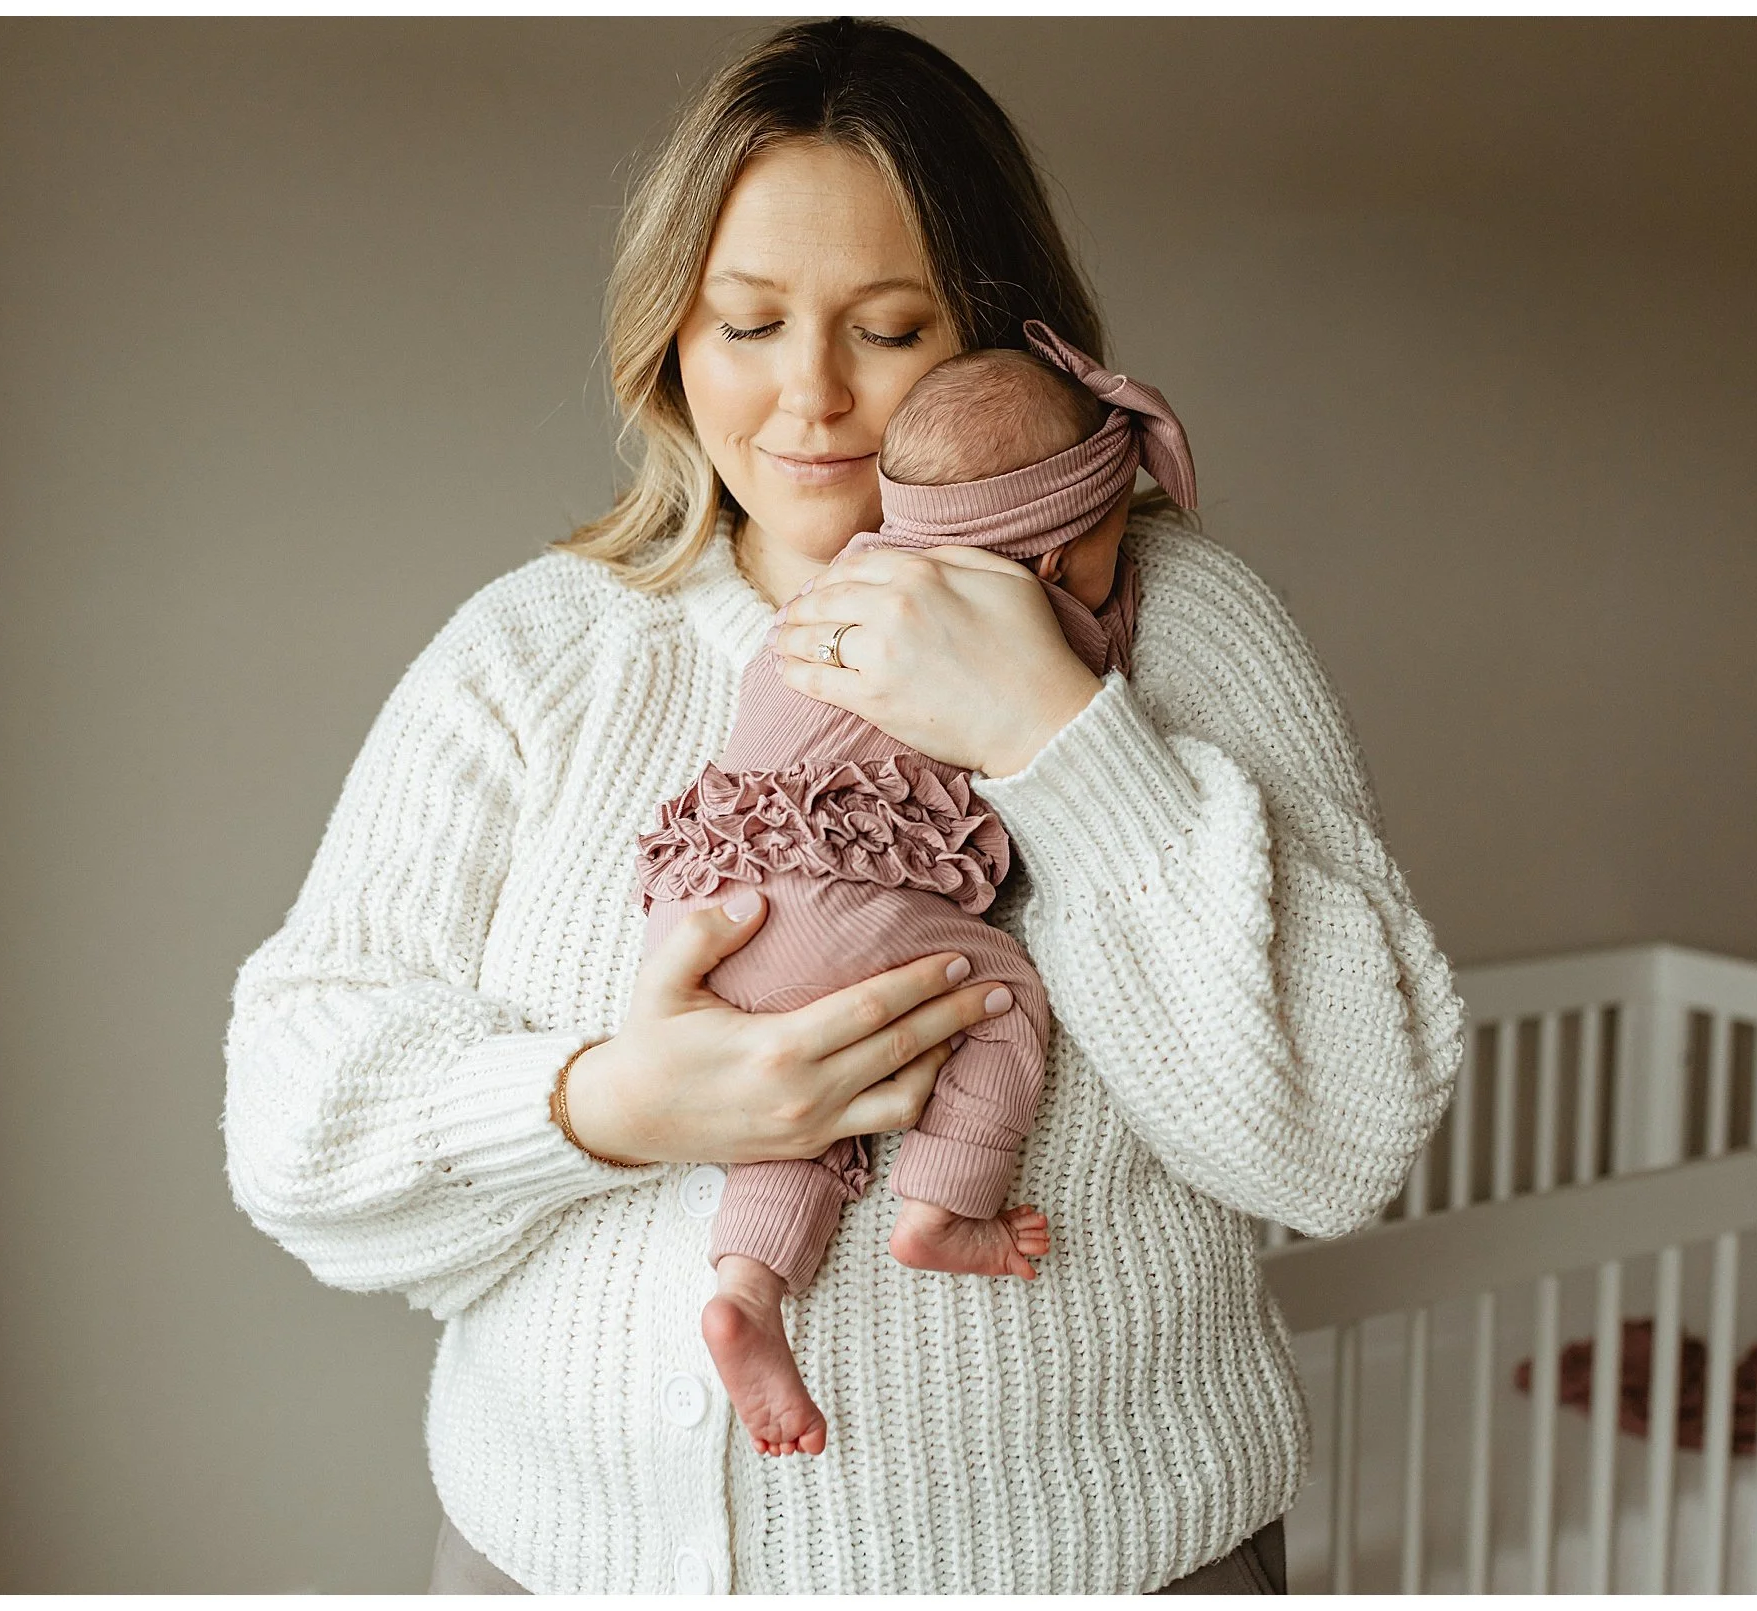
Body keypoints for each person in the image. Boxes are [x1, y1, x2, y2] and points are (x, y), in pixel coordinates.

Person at [222, 17, 1464, 1595]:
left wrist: (1056, 727)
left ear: (1003, 343)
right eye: (744, 324)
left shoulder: (1177, 627)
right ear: (670, 335)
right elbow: (294, 1121)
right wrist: (612, 1104)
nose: (809, 401)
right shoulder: (542, 649)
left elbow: (1339, 1139)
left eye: (887, 330)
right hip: (554, 1560)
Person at [646, 326, 1193, 1460]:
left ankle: (746, 1288)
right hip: (835, 888)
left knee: (792, 1109)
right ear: (1046, 563)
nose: (1113, 575)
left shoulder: (854, 577)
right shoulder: (1025, 617)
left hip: (709, 901)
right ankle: (946, 1205)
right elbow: (1089, 676)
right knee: (993, 992)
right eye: (1100, 554)